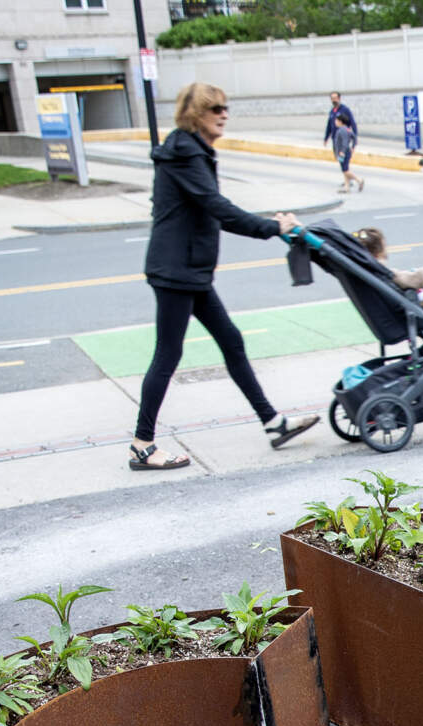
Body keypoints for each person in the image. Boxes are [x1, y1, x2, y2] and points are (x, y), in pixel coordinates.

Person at [130, 82, 317, 472]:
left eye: (226, 108)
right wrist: (274, 227)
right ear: (197, 114)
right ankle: (142, 444)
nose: (224, 114)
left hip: (188, 270)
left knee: (231, 341)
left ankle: (272, 422)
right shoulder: (185, 153)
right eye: (216, 108)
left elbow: (207, 211)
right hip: (176, 271)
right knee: (168, 353)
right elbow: (219, 209)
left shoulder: (191, 151)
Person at [324, 91, 362, 193]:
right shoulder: (332, 111)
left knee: (344, 165)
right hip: (336, 140)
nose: (334, 100)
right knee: (342, 164)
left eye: (335, 98)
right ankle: (347, 186)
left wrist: (354, 138)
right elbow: (329, 125)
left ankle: (356, 180)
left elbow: (352, 123)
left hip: (343, 141)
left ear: (339, 98)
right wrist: (326, 137)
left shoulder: (345, 110)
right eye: (332, 98)